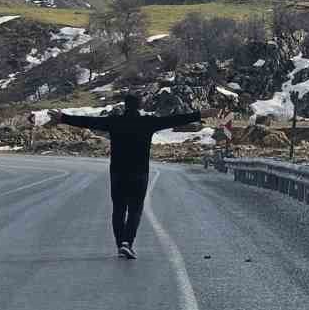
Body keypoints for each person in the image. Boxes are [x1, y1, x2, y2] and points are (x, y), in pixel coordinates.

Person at [50, 94, 201, 259]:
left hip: (118, 173)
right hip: (139, 173)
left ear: (125, 105)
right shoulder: (148, 122)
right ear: (139, 105)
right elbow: (174, 120)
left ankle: (120, 243)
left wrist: (63, 118)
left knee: (119, 209)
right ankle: (127, 243)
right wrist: (201, 114)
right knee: (135, 209)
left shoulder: (115, 122)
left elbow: (89, 121)